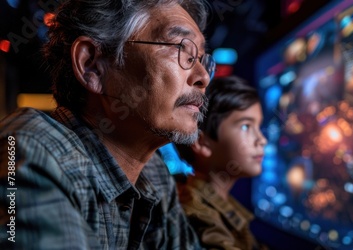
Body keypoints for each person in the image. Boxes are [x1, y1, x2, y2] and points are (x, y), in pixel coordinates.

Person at [0, 0, 216, 249]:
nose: (204, 77)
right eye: (181, 48)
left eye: (200, 58)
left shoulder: (154, 173)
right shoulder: (32, 150)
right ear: (92, 65)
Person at [175, 76, 268, 250]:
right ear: (201, 143)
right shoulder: (198, 216)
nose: (262, 140)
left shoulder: (221, 204)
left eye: (259, 127)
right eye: (246, 126)